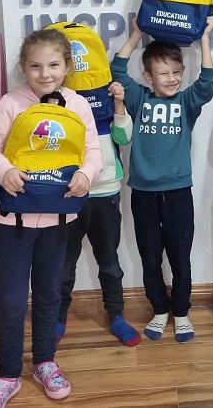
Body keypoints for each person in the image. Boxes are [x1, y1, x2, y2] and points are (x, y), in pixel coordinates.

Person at [0, 29, 102, 407]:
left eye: (53, 65)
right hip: (13, 222)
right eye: (35, 66)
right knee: (12, 301)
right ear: (23, 67)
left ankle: (45, 361)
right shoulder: (11, 104)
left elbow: (92, 151)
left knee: (50, 295)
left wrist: (86, 175)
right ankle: (8, 374)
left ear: (67, 66)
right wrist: (3, 170)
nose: (45, 73)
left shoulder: (78, 104)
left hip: (57, 222)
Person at [110, 17, 213, 342]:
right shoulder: (139, 99)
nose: (172, 79)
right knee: (150, 256)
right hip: (143, 194)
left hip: (178, 193)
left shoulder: (186, 102)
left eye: (177, 72)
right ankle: (159, 309)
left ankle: (181, 311)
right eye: (163, 73)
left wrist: (204, 38)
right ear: (148, 76)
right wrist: (136, 34)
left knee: (180, 257)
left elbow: (206, 84)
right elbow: (117, 70)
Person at [56, 81, 141, 347]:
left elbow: (124, 138)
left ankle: (116, 315)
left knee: (109, 262)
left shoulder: (106, 93)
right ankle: (57, 319)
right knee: (63, 264)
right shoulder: (56, 96)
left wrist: (118, 103)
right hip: (68, 193)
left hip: (105, 192)